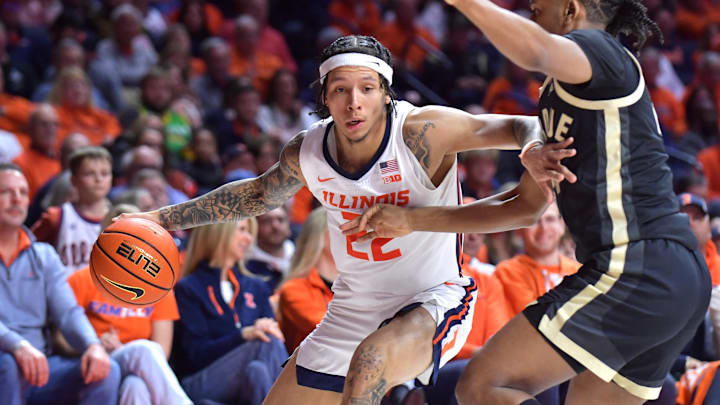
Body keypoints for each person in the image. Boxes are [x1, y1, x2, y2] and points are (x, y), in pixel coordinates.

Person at [118, 35, 571, 404]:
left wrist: (530, 151)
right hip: (352, 308)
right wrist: (160, 216)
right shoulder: (307, 151)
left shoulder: (421, 132)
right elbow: (257, 193)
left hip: (433, 299)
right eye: (340, 89)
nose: (354, 102)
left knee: (371, 363)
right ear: (324, 97)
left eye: (367, 88)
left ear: (385, 92)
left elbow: (520, 125)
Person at [342, 1, 711, 403]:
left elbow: (534, 49)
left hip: (637, 264)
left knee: (484, 384)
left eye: (538, 7)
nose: (529, 8)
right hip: (675, 275)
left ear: (571, 9)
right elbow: (524, 206)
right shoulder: (569, 91)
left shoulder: (604, 53)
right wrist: (412, 221)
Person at [0, 163, 120, 405]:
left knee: (108, 370)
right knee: (8, 364)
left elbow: (68, 313)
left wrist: (92, 345)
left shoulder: (44, 255)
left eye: (23, 192)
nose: (17, 199)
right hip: (6, 361)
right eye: (6, 192)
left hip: (41, 365)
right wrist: (17, 346)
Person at [64, 203, 192, 405]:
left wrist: (123, 347)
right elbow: (58, 339)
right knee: (143, 350)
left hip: (138, 364)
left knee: (135, 386)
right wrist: (93, 344)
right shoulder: (81, 279)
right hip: (91, 361)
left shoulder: (159, 287)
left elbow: (161, 351)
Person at [171, 219, 288, 405]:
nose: (249, 238)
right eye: (242, 230)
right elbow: (194, 356)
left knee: (257, 371)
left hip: (245, 383)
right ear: (218, 232)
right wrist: (243, 336)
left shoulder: (257, 287)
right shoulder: (189, 288)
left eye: (250, 232)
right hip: (201, 381)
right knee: (264, 342)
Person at [32, 146, 112, 273]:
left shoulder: (119, 218)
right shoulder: (57, 216)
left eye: (105, 173)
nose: (99, 179)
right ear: (73, 180)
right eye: (89, 173)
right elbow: (29, 253)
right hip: (67, 291)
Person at [493, 202, 581, 315]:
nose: (543, 228)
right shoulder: (507, 272)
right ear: (519, 229)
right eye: (534, 221)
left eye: (550, 219)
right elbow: (536, 318)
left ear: (562, 225)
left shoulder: (578, 271)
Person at [278, 208, 338, 353]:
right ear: (320, 237)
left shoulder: (359, 286)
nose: (353, 236)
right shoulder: (294, 289)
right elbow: (329, 332)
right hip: (311, 371)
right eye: (340, 229)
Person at [246, 206, 295, 291]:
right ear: (256, 226)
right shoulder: (247, 264)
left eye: (280, 219)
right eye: (267, 221)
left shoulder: (301, 254)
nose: (275, 226)